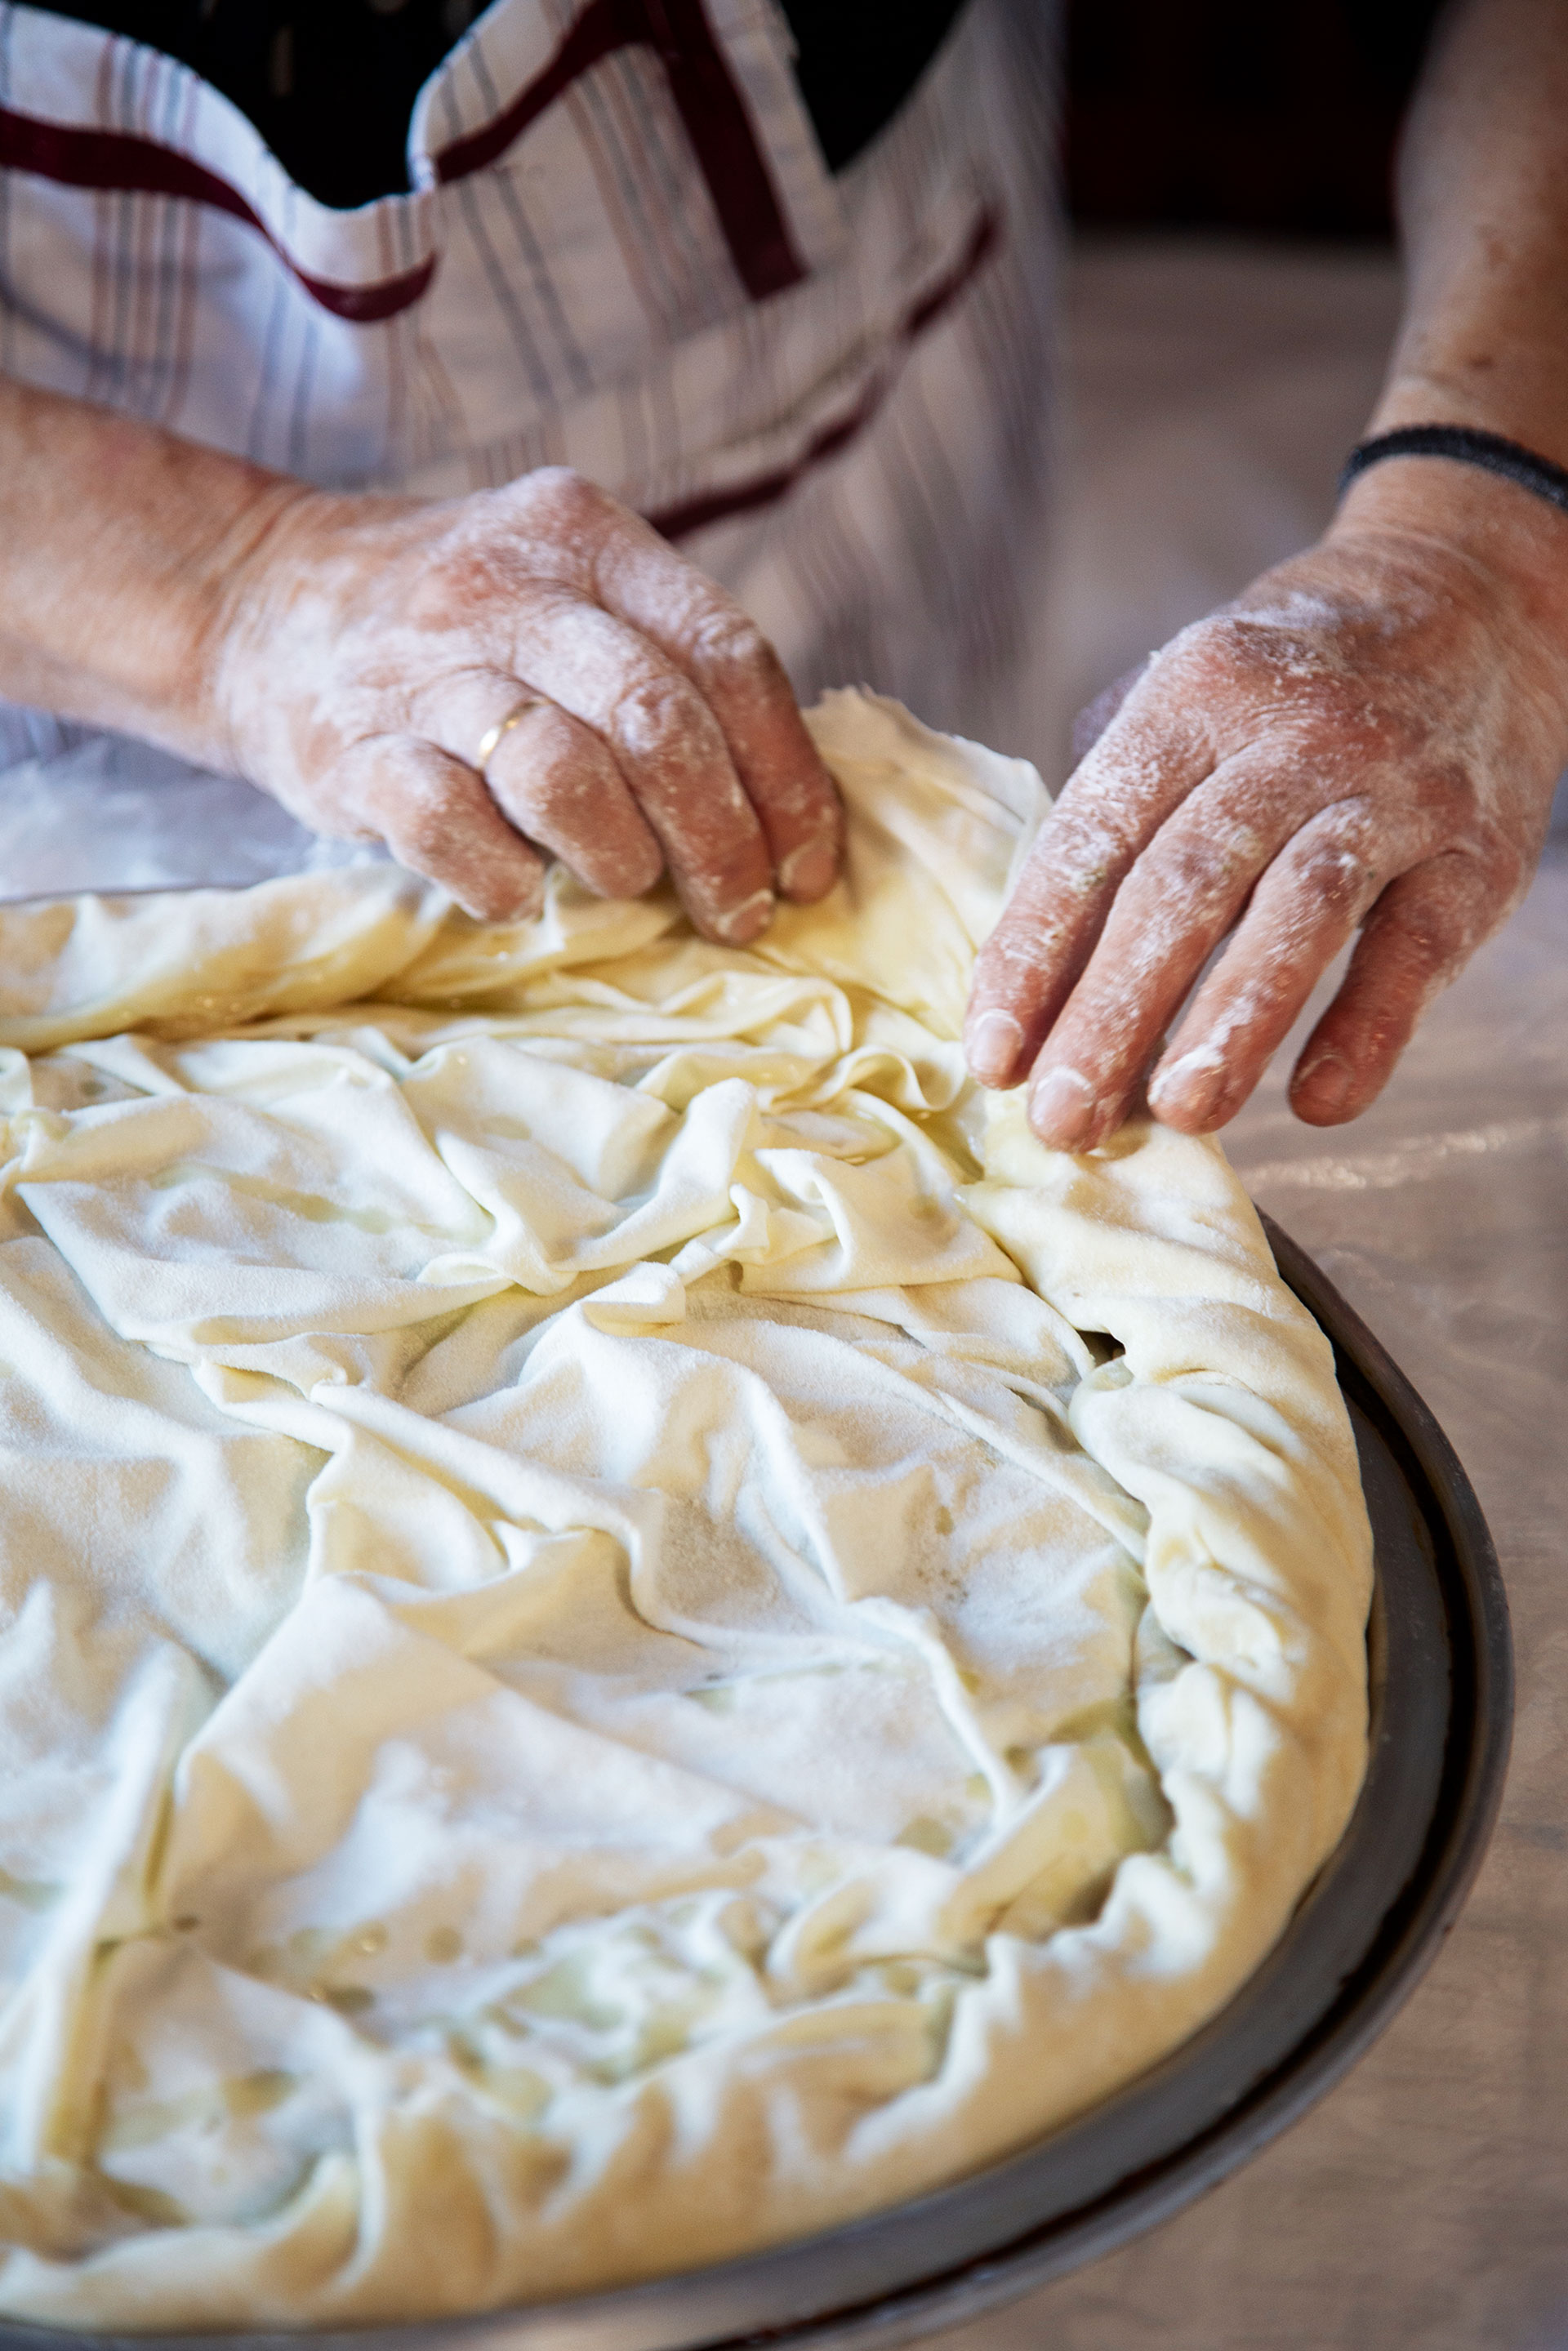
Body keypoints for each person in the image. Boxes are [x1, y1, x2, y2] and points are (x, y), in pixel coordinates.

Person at [0, 0, 1561, 1151]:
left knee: (966, 1004)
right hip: (59, 626)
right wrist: (230, 583)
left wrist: (1484, 521)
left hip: (860, 409)